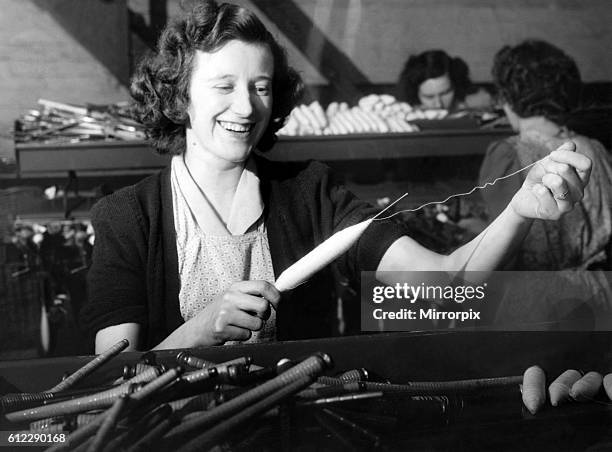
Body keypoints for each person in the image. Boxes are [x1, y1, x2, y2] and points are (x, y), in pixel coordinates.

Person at [80, 2, 591, 353]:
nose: (246, 106)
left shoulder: (309, 193)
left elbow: (444, 294)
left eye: (261, 87)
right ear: (178, 96)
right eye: (223, 86)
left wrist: (521, 209)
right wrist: (198, 331)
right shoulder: (130, 216)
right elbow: (114, 379)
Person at [479, 39, 612, 271]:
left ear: (507, 98)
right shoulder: (595, 148)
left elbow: (501, 249)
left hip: (539, 292)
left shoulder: (508, 154)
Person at [396, 49, 491, 111]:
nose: (438, 105)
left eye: (445, 93)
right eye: (429, 97)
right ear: (415, 94)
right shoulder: (403, 113)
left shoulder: (479, 105)